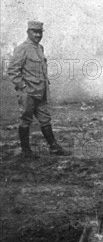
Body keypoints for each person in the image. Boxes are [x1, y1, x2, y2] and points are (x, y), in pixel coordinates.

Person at [8, 20, 70, 157]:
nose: (37, 35)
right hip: (28, 93)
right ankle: (26, 151)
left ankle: (54, 147)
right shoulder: (22, 49)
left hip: (41, 92)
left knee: (45, 119)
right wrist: (23, 87)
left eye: (39, 32)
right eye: (34, 32)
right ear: (28, 32)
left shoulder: (40, 48)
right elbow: (12, 71)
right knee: (25, 119)